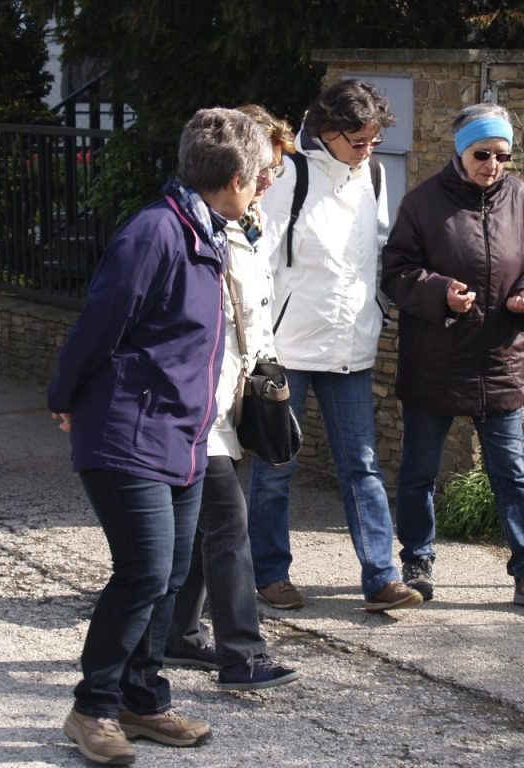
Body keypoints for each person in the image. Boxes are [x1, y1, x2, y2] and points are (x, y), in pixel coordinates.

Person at [47, 108, 273, 766]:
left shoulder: (209, 231)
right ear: (233, 178)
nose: (263, 188)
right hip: (129, 431)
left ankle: (141, 702)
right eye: (259, 178)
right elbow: (99, 322)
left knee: (171, 575)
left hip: (184, 433)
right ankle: (92, 709)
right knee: (144, 570)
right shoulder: (156, 232)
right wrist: (63, 397)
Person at [380, 103, 524, 613]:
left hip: (500, 357)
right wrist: (440, 292)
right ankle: (416, 563)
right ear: (460, 151)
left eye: (503, 155)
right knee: (420, 471)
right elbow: (395, 272)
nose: (493, 165)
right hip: (436, 360)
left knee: (512, 472)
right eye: (482, 154)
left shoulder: (522, 198)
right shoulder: (422, 204)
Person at [248, 80, 423, 613]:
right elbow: (261, 259)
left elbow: (374, 247)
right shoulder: (290, 177)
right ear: (326, 132)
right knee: (276, 466)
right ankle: (270, 574)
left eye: (373, 139)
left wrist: (375, 312)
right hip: (286, 349)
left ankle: (381, 578)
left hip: (350, 346)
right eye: (358, 140)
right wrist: (260, 345)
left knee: (363, 466)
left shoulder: (372, 174)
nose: (369, 149)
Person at [165, 105, 300, 691]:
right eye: (265, 167)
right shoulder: (196, 227)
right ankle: (241, 654)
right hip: (197, 405)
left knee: (200, 527)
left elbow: (254, 317)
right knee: (228, 525)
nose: (271, 178)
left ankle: (176, 634)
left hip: (231, 398)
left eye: (276, 169)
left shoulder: (253, 225)